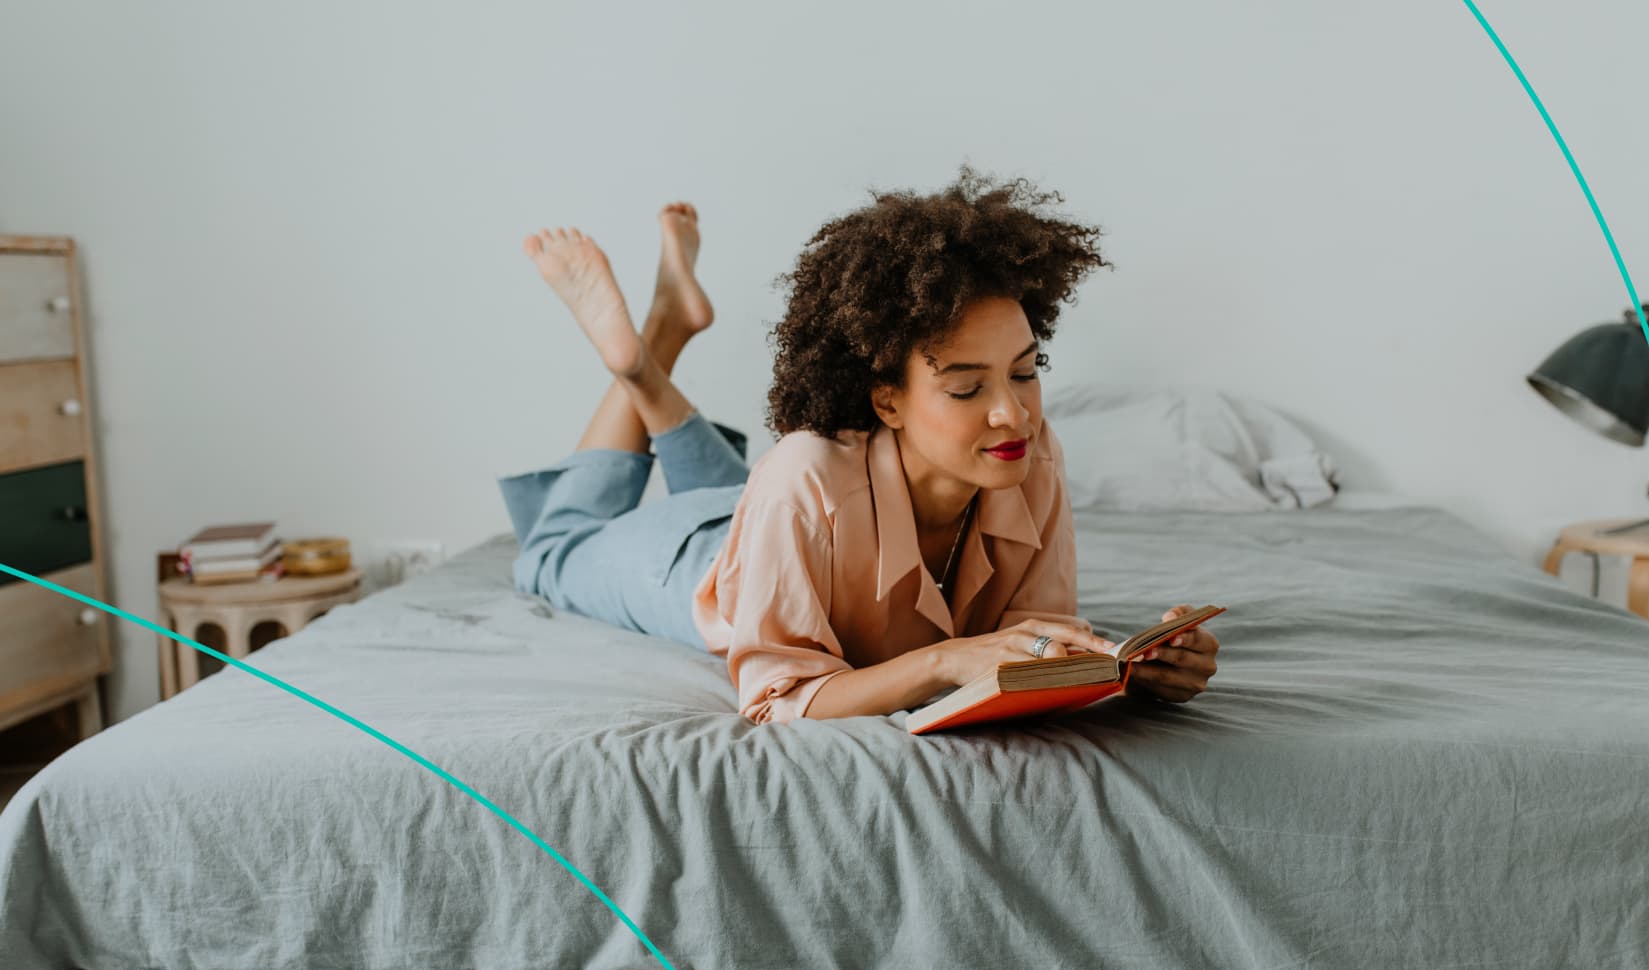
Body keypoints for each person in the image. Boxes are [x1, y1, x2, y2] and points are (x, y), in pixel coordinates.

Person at [498, 168, 1219, 724]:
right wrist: (944, 662)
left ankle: (661, 342)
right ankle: (640, 361)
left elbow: (1035, 635)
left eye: (1026, 373)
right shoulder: (803, 479)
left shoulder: (1032, 453)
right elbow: (779, 697)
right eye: (968, 389)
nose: (1013, 414)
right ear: (887, 401)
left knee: (752, 491)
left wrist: (1132, 670)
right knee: (549, 552)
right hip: (699, 556)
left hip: (779, 521)